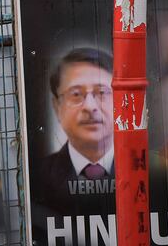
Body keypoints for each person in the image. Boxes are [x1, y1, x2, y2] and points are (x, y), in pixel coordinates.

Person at [34, 48, 115, 209]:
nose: (90, 107)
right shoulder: (37, 176)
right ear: (57, 107)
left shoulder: (152, 170)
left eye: (102, 92)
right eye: (76, 94)